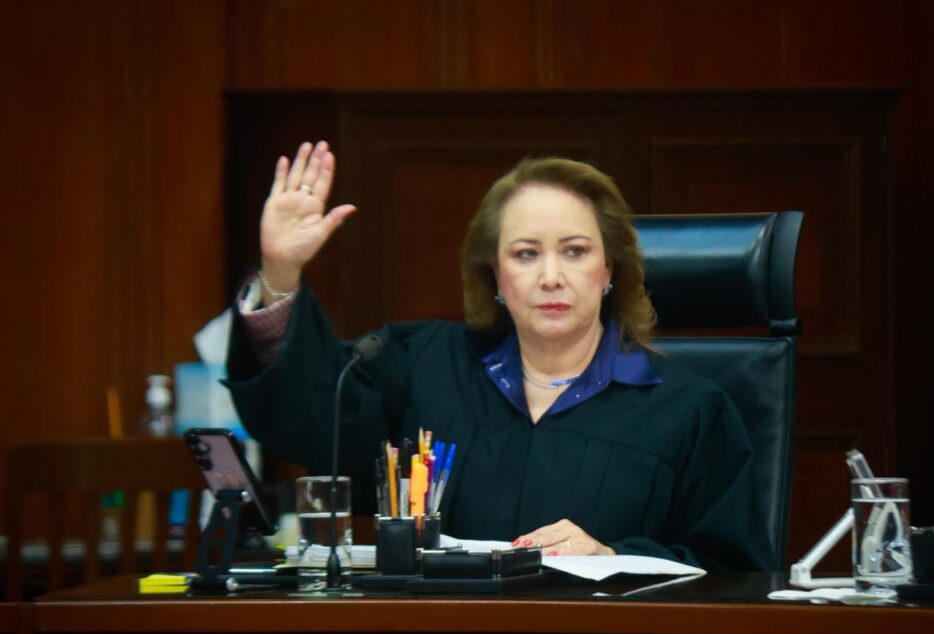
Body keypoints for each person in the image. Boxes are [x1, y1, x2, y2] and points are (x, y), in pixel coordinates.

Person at [225, 140, 771, 570]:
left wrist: (612, 557)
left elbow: (733, 572)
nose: (551, 276)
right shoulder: (427, 366)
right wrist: (281, 274)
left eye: (575, 251)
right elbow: (313, 421)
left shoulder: (688, 410)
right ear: (496, 275)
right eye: (526, 254)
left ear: (608, 269)